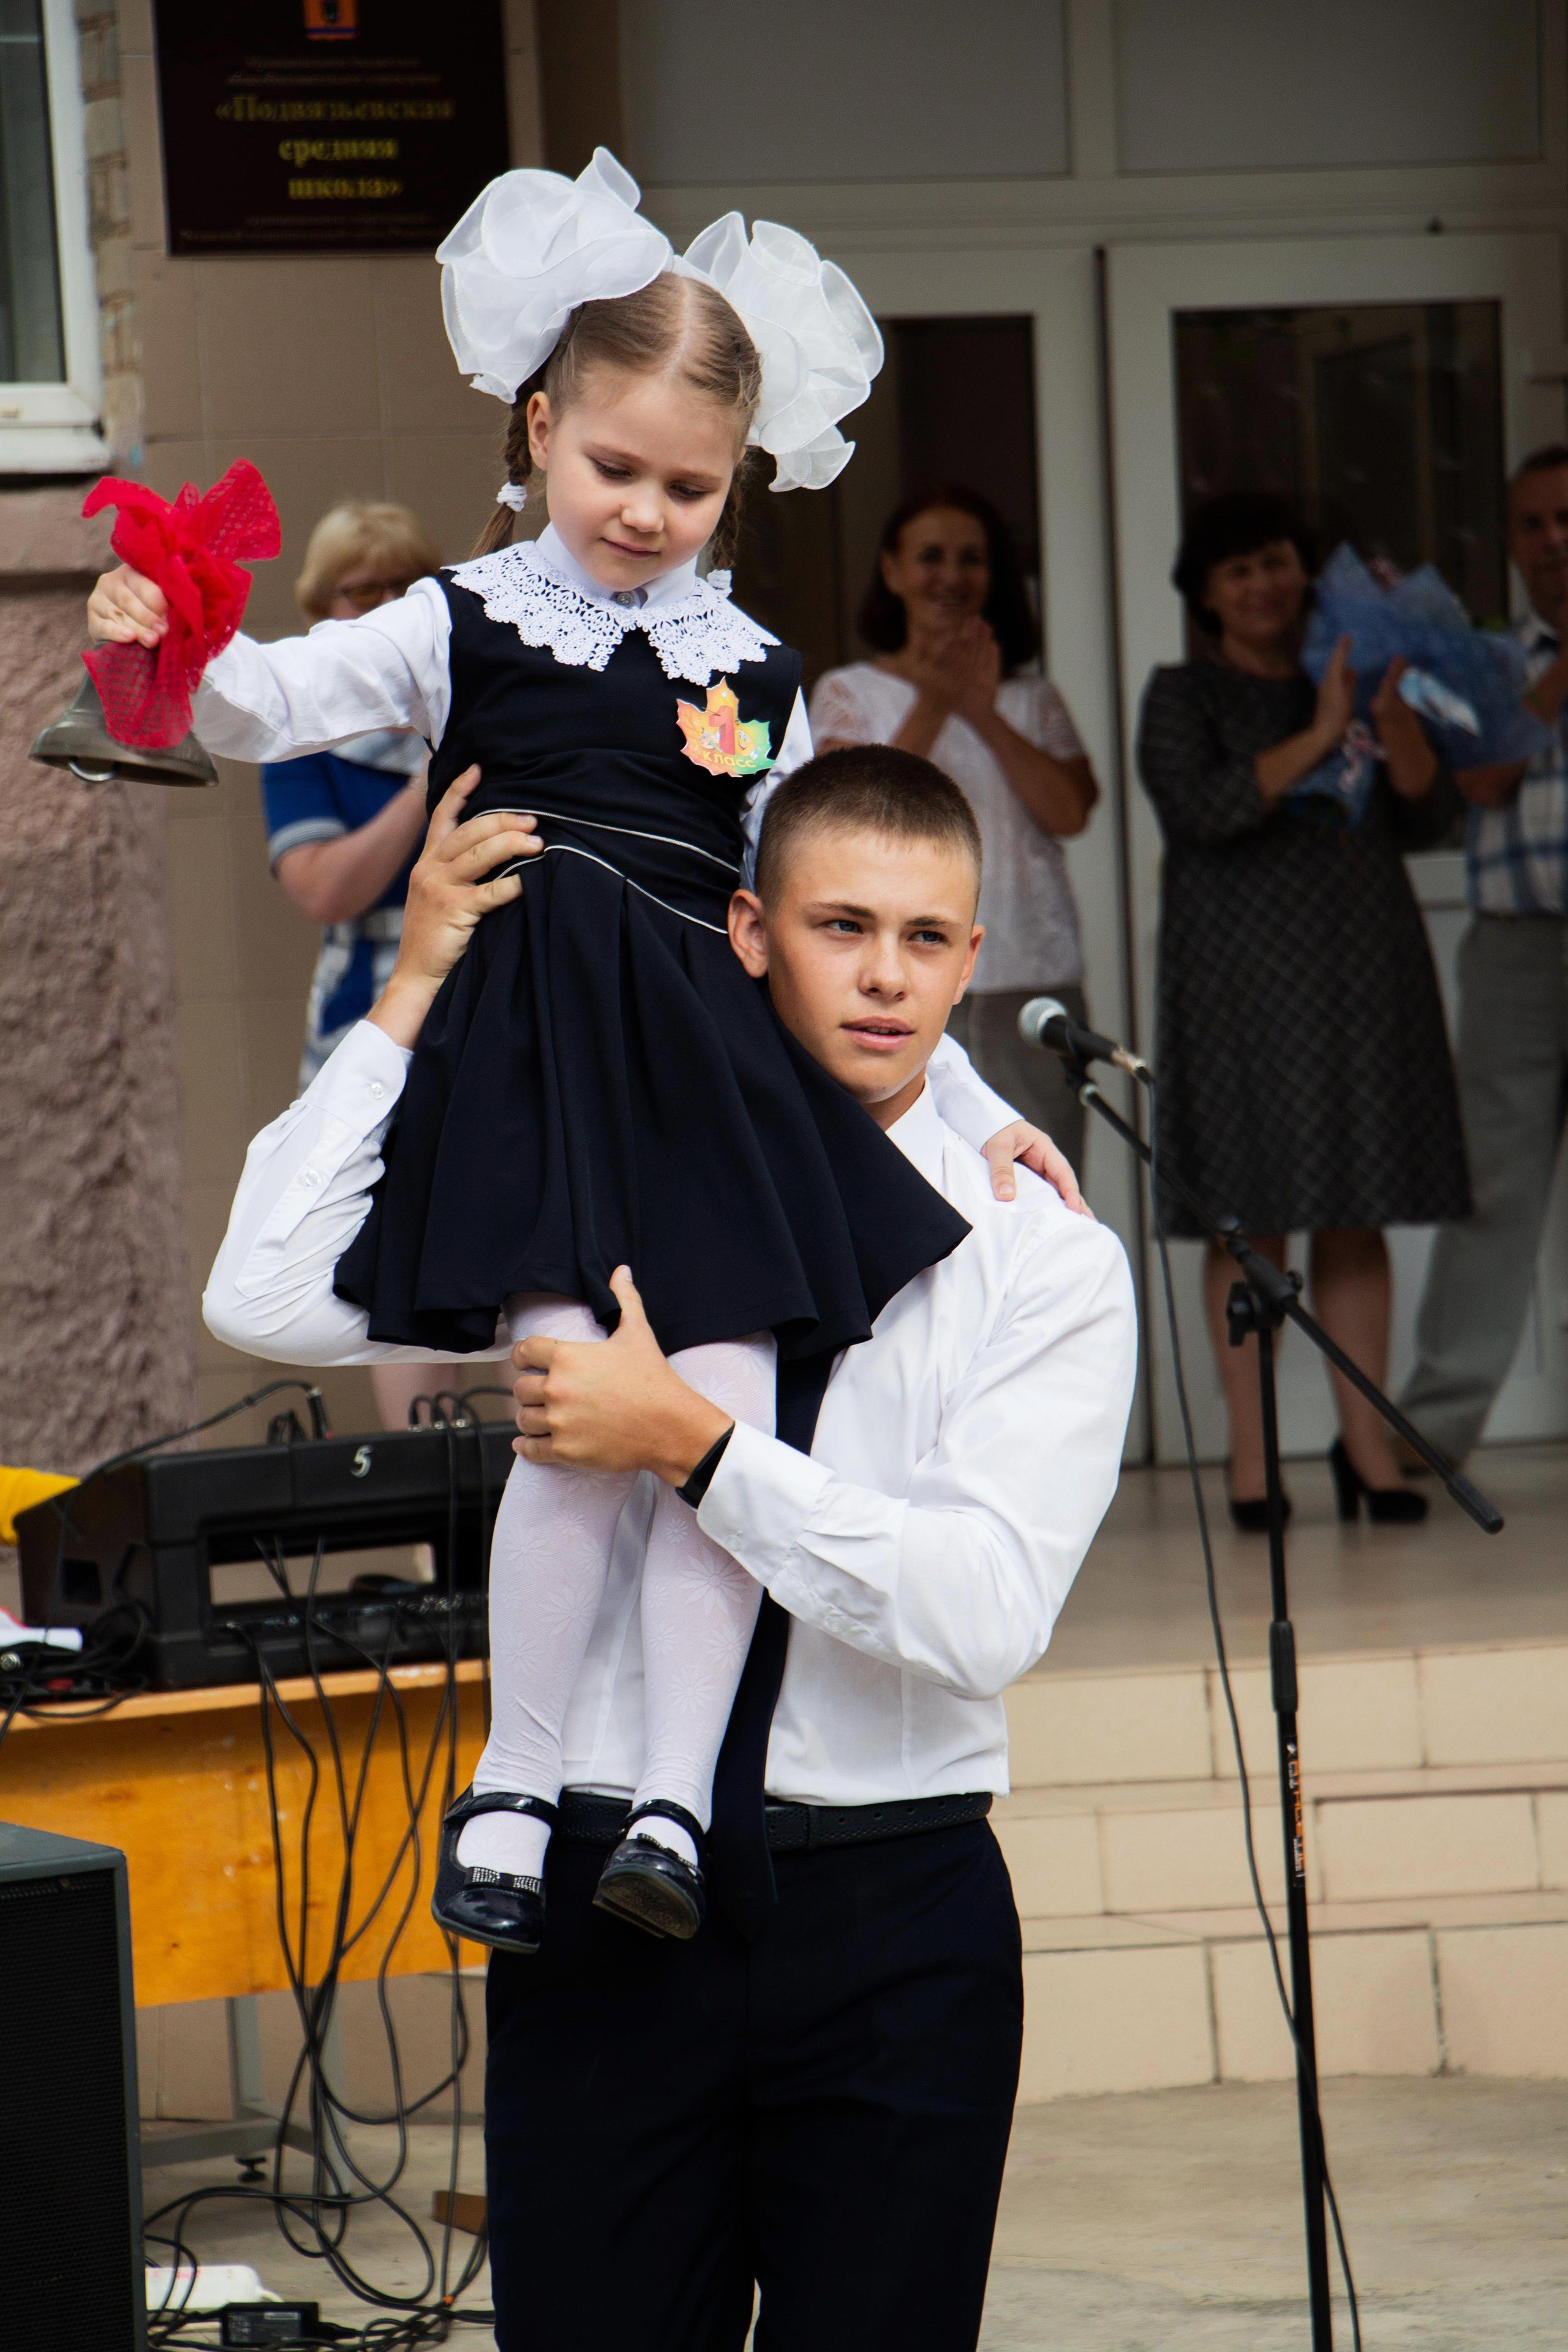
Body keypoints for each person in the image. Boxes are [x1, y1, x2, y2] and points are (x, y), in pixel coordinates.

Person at [91, 151, 1079, 1960]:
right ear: (540, 425)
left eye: (689, 485)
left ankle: (673, 1802)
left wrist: (980, 1104)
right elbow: (269, 709)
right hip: (540, 1072)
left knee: (718, 1409)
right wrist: (189, 638)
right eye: (613, 466)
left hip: (707, 1085)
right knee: (565, 1424)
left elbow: (833, 913)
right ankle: (518, 1776)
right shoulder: (457, 617)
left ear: (739, 482)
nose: (643, 508)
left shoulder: (757, 668)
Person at [203, 741, 1137, 2352]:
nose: (886, 978)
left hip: (889, 1912)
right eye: (842, 927)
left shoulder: (1034, 1255)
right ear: (750, 930)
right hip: (599, 1906)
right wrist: (415, 983)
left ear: (975, 959)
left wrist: (696, 1450)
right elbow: (262, 1289)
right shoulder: (591, 1177)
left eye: (927, 940)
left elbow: (982, 1614)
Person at [1137, 492, 1469, 1528]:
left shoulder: (1366, 672)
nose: (1264, 584)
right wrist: (1322, 730)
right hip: (1239, 976)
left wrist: (1388, 717)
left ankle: (1366, 1447)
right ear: (1207, 595)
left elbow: (1431, 809)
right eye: (1239, 570)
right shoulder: (1183, 694)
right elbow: (1198, 807)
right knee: (1250, 1215)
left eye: (1278, 562)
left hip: (1362, 959)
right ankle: (1254, 1458)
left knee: (1357, 1205)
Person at [812, 485, 1099, 1171]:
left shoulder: (1032, 698)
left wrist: (981, 709)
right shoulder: (848, 692)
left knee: (1037, 1182)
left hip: (1029, 975)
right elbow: (849, 819)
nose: (951, 575)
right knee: (906, 1179)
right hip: (895, 973)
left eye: (971, 559)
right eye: (929, 557)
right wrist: (937, 702)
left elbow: (1071, 812)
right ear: (891, 570)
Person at [263, 499, 448, 1438]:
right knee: (392, 1265)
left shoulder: (474, 713)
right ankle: (438, 1524)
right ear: (318, 607)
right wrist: (431, 789)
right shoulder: (303, 746)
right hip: (366, 1028)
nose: (375, 607)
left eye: (397, 590)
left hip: (481, 1019)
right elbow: (323, 887)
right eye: (354, 591)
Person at [1399, 446, 1568, 1465]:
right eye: (1535, 525)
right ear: (1509, 544)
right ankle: (1432, 1437)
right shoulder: (1487, 658)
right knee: (1493, 1192)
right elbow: (1486, 778)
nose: (1555, 542)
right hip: (1516, 955)